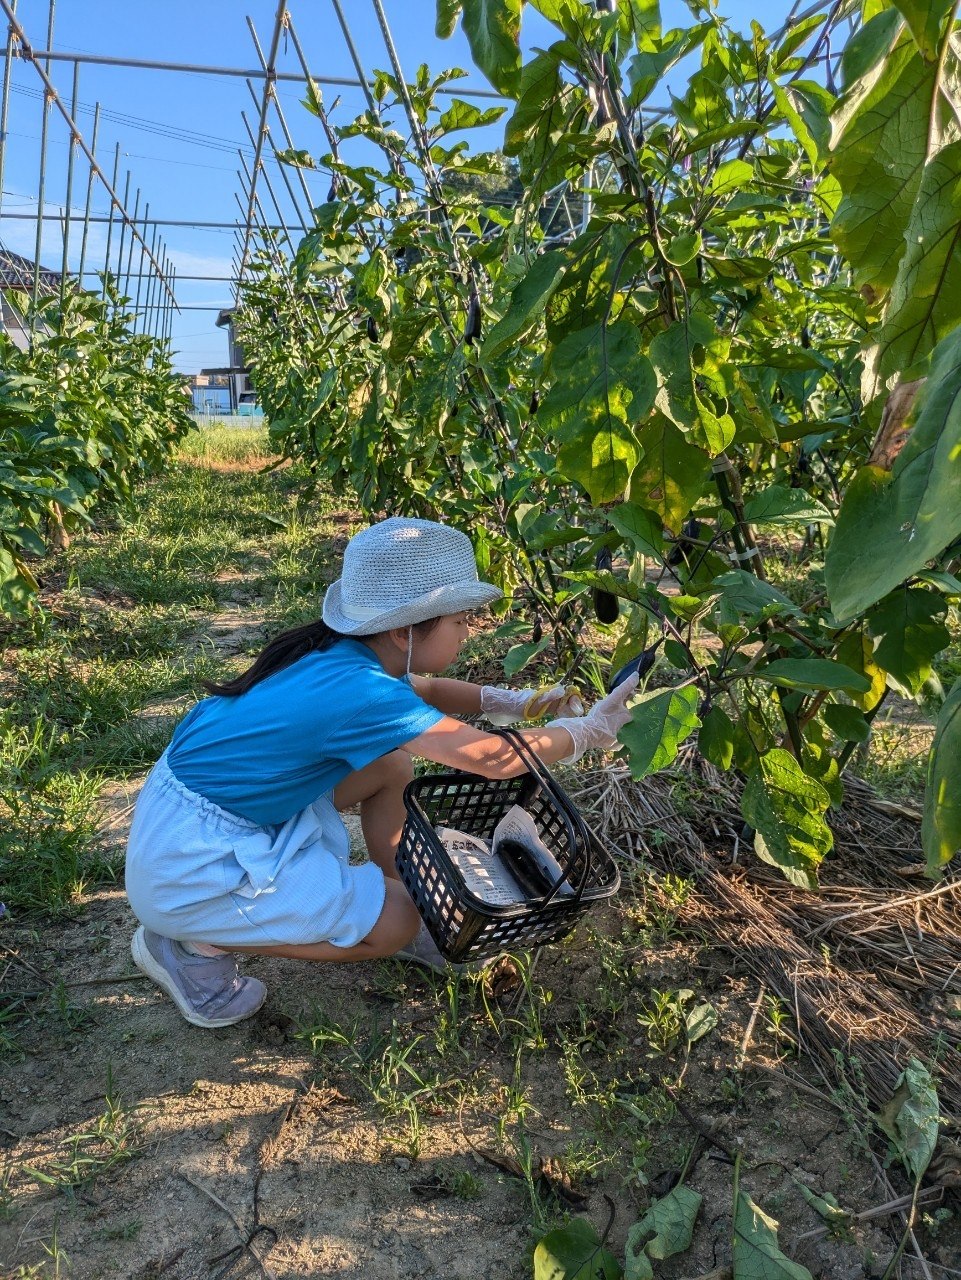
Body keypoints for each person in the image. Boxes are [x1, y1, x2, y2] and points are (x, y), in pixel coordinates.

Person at [125, 517, 639, 1028]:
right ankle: (192, 944)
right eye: (460, 620)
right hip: (190, 866)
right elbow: (493, 759)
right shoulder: (360, 692)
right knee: (394, 922)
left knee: (391, 765)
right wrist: (589, 732)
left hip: (201, 814)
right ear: (403, 630)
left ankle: (399, 894)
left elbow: (429, 691)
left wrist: (519, 702)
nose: (469, 630)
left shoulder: (340, 653)